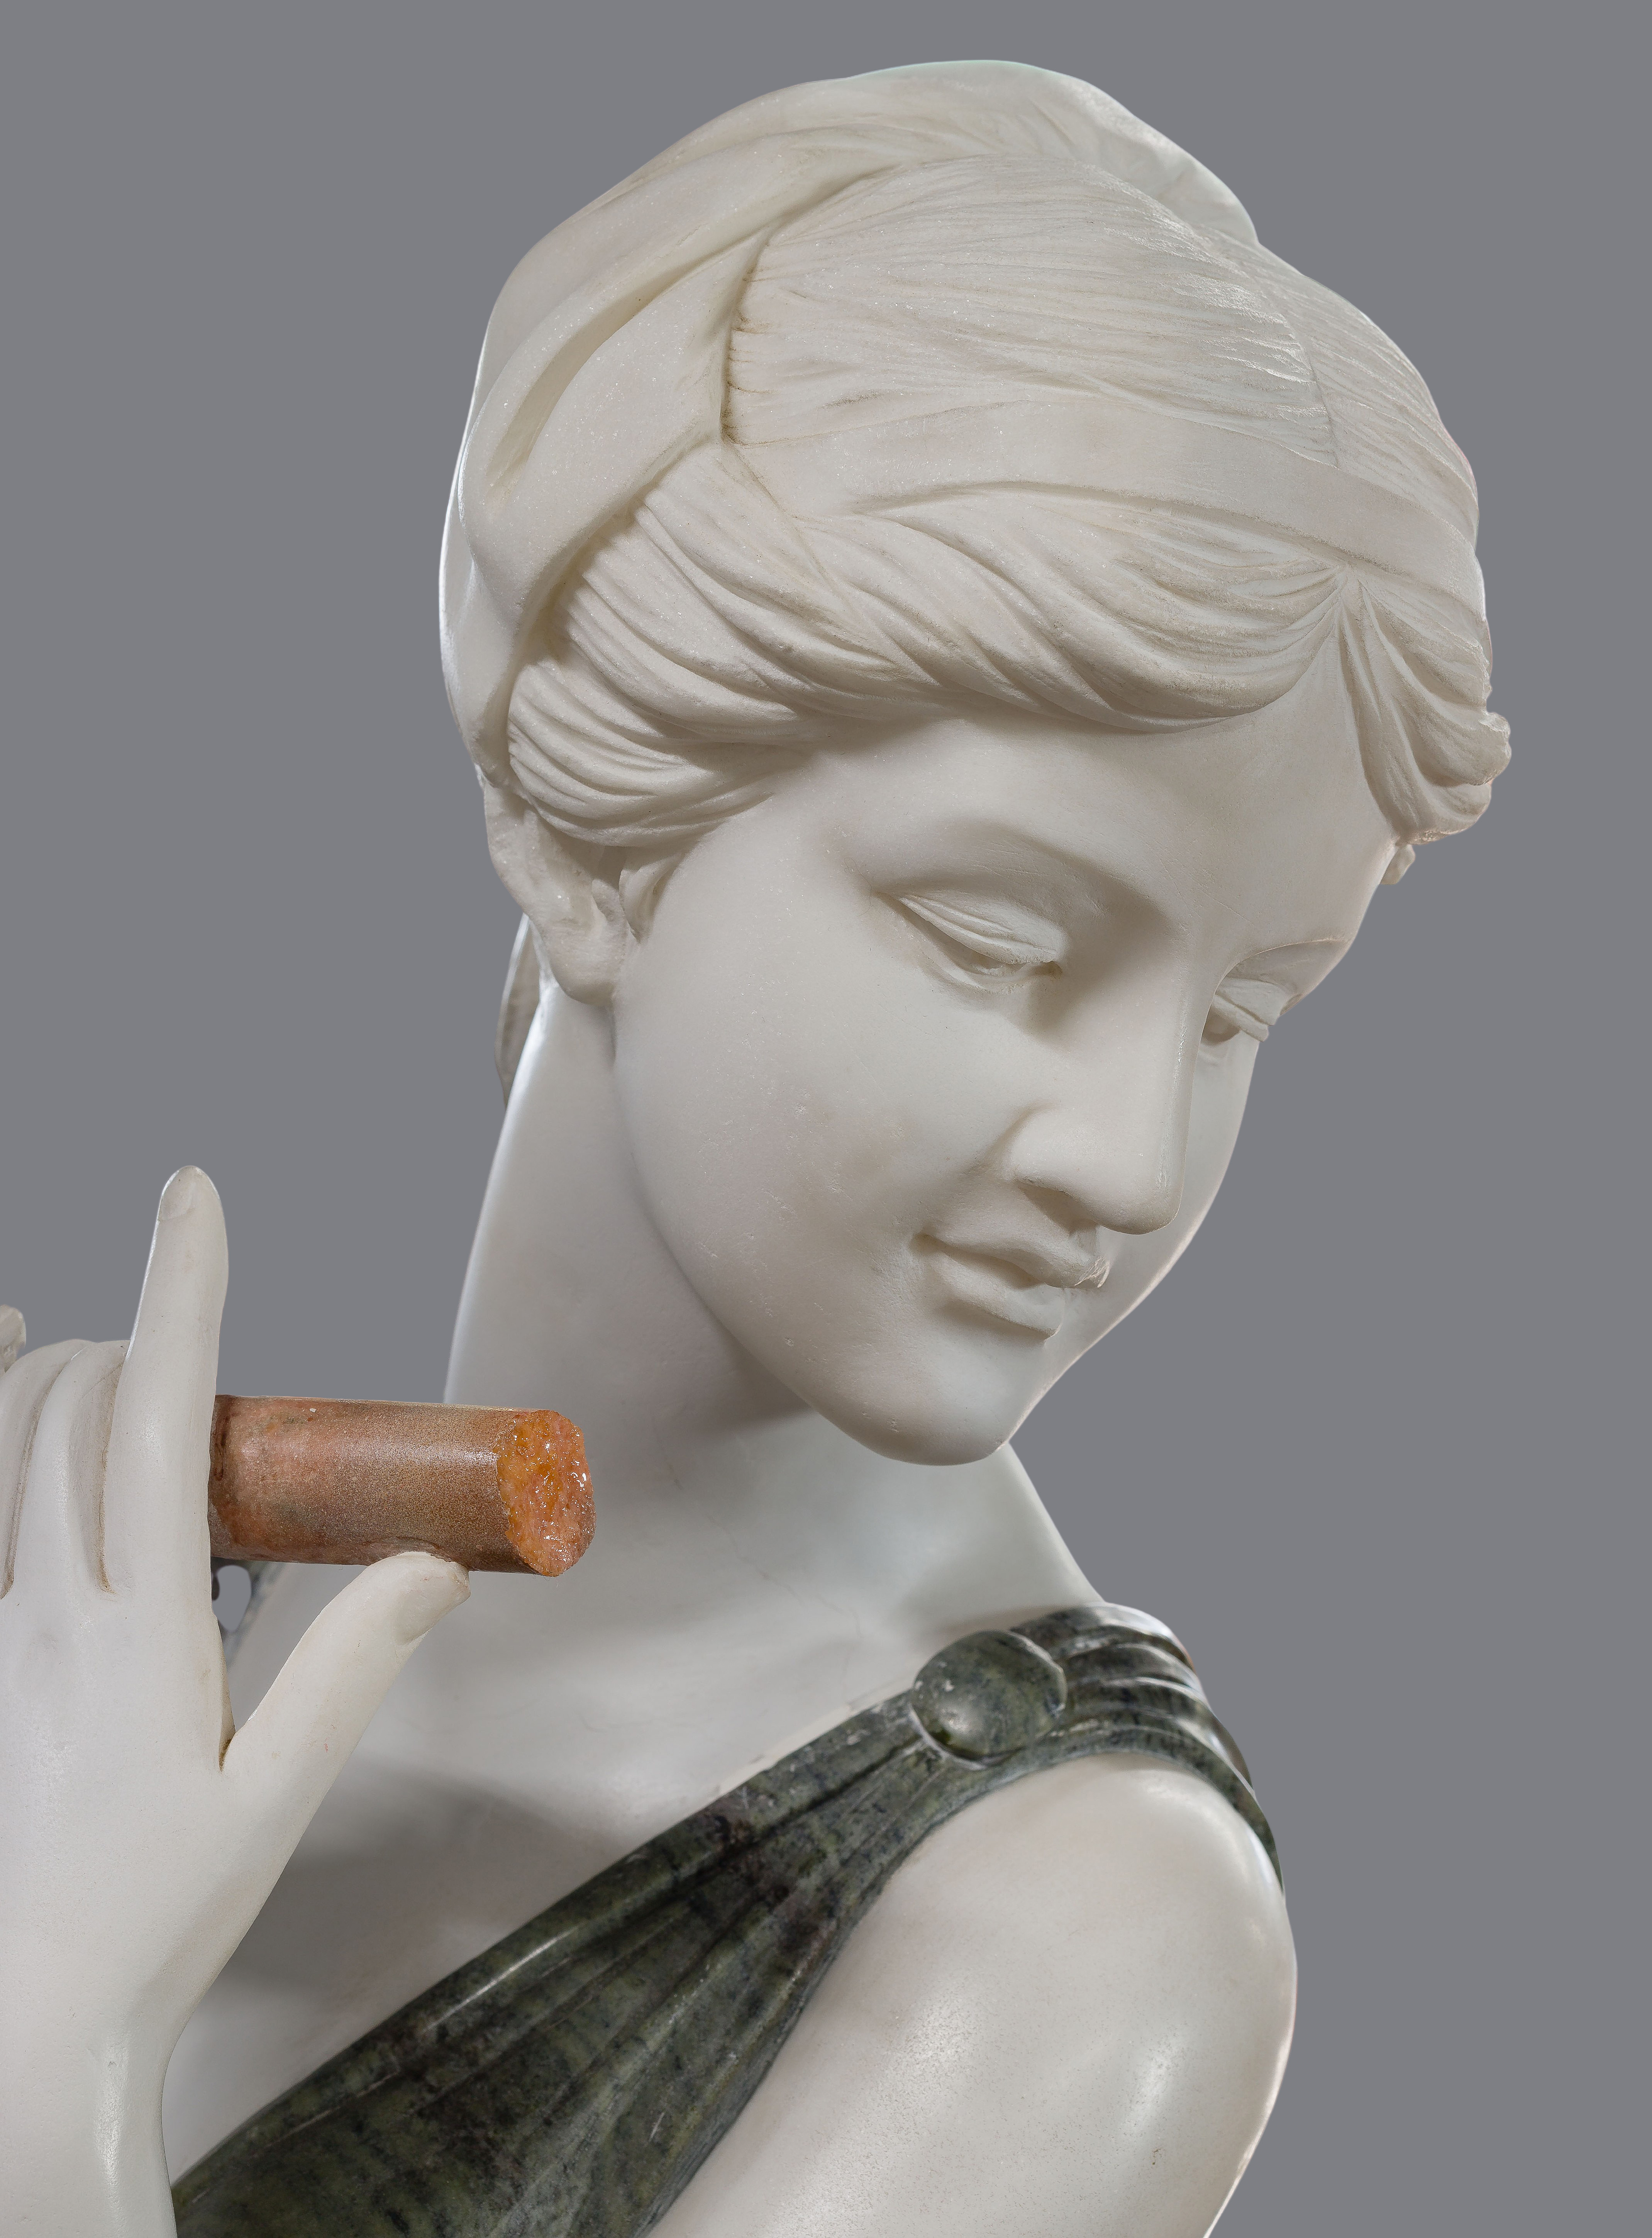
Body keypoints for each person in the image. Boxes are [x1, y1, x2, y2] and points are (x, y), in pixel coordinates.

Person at [0, 61, 1506, 2238]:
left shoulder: (1075, 1938)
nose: (1127, 1154)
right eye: (999, 940)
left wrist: (49, 2056)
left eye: (1234, 1015)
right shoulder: (170, 1630)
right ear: (587, 836)